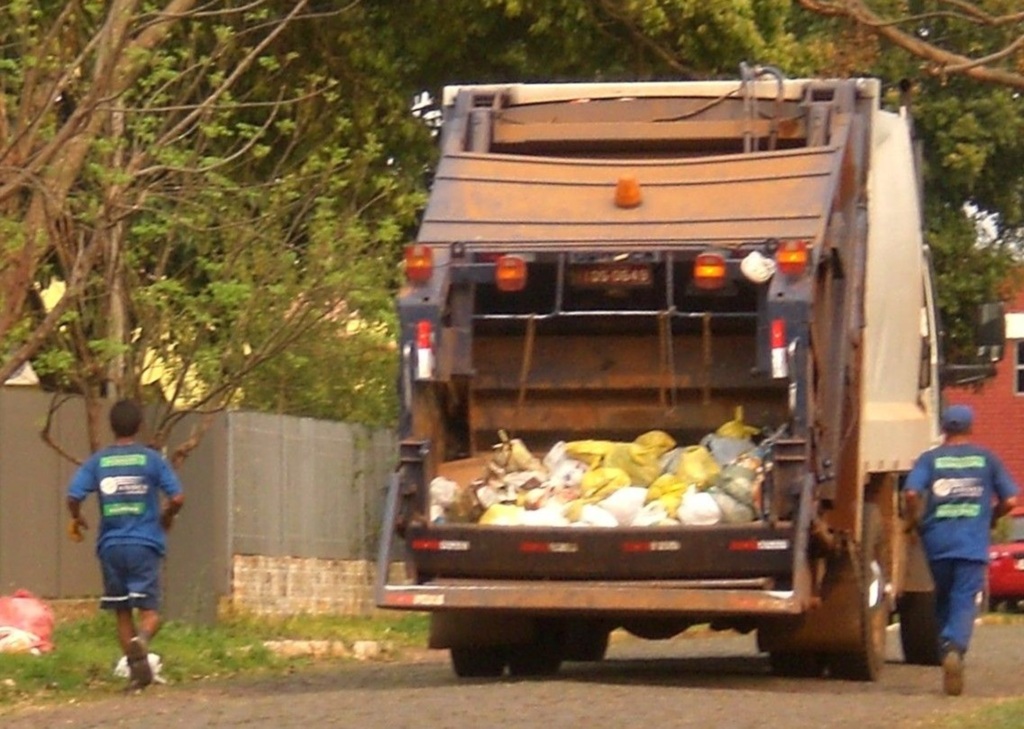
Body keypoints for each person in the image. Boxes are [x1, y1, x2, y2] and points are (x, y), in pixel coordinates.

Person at [66, 399, 185, 690]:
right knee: (150, 612)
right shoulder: (151, 459)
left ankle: (137, 676)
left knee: (121, 610)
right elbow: (178, 497)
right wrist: (167, 516)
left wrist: (78, 517)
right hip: (144, 544)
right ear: (139, 426)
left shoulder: (99, 462)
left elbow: (73, 495)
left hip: (110, 547)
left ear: (111, 426)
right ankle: (141, 641)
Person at [903, 404, 1018, 697]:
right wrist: (992, 517)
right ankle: (954, 646)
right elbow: (1012, 500)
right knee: (964, 598)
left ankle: (946, 648)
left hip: (937, 542)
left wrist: (914, 519)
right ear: (970, 428)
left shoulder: (930, 459)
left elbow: (912, 492)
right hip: (972, 543)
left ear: (944, 429)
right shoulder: (986, 459)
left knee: (943, 596)